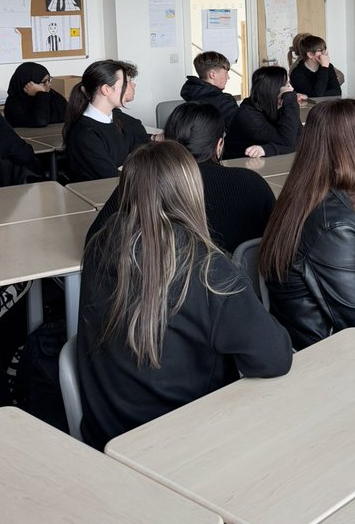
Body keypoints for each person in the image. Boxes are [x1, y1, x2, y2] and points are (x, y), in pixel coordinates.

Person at [77, 140, 292, 449]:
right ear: (191, 191)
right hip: (185, 447)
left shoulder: (99, 246)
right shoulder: (206, 269)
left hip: (106, 440)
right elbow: (275, 358)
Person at [259, 99, 355, 349]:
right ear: (351, 145)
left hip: (327, 331)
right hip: (331, 348)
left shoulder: (310, 187)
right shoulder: (334, 224)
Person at [87, 102, 276, 255]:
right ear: (219, 145)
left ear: (165, 140)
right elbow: (279, 238)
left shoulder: (142, 182)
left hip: (164, 295)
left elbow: (95, 241)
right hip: (242, 292)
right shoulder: (251, 183)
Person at [63, 60, 151, 181]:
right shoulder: (84, 133)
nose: (132, 86)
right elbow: (110, 177)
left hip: (127, 190)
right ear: (106, 89)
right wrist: (128, 165)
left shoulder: (121, 121)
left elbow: (147, 159)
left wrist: (124, 167)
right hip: (99, 196)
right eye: (126, 83)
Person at [222, 65, 302, 159]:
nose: (291, 89)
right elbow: (287, 141)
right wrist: (290, 101)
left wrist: (266, 150)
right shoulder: (247, 115)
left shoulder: (280, 107)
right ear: (272, 88)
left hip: (267, 161)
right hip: (239, 164)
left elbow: (302, 139)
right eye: (286, 85)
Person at [180, 51, 240, 132]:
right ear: (212, 74)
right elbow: (242, 130)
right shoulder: (224, 101)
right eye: (226, 73)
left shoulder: (191, 94)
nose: (228, 77)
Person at [4, 62, 67, 127]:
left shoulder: (51, 94)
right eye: (44, 81)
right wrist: (41, 95)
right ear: (28, 84)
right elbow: (41, 121)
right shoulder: (14, 107)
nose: (48, 84)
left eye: (49, 80)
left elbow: (69, 114)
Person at [288, 34, 342, 98]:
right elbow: (317, 94)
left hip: (326, 104)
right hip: (307, 107)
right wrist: (324, 67)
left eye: (325, 50)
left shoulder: (329, 66)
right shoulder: (297, 73)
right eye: (321, 51)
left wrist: (308, 95)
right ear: (310, 54)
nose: (326, 53)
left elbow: (337, 91)